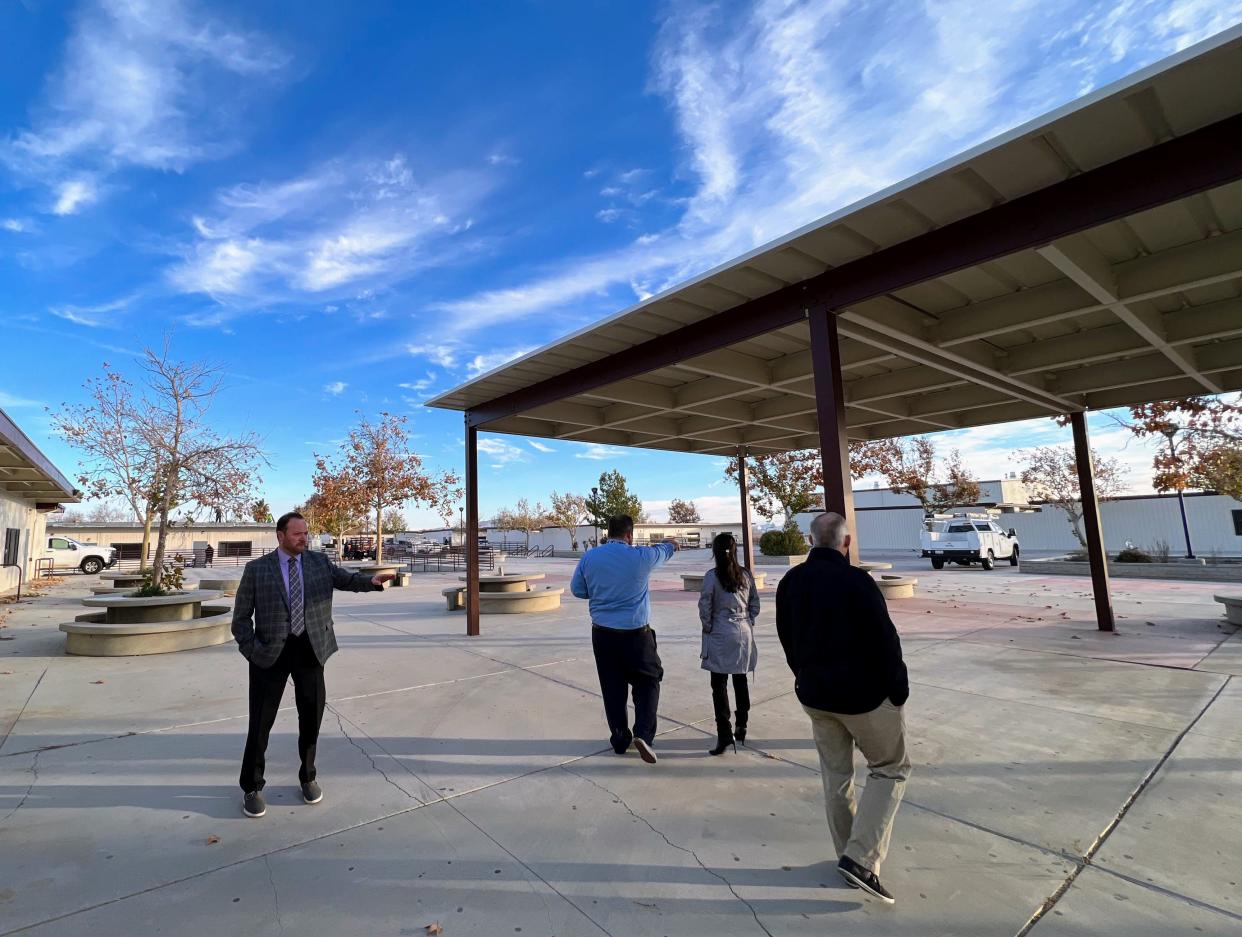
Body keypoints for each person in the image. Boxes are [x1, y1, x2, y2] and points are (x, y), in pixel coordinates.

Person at [776, 511, 910, 906]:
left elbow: (787, 638)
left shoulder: (791, 582)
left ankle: (850, 855)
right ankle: (861, 859)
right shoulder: (857, 582)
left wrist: (803, 676)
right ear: (845, 542)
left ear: (810, 540)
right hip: (865, 698)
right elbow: (886, 641)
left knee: (836, 777)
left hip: (816, 696)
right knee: (890, 769)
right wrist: (898, 692)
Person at [231, 511, 395, 819]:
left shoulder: (319, 563)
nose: (304, 538)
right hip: (270, 655)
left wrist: (372, 582)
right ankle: (252, 786)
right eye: (297, 534)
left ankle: (308, 777)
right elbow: (240, 619)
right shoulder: (257, 570)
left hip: (311, 651)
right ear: (280, 536)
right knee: (260, 724)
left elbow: (347, 580)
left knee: (311, 719)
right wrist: (252, 650)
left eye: (306, 533)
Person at [570, 515, 679, 764]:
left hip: (602, 634)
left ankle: (619, 737)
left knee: (612, 687)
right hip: (636, 635)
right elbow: (663, 550)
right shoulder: (641, 557)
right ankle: (643, 734)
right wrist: (672, 544)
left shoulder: (589, 558)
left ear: (608, 533)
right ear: (630, 535)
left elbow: (578, 590)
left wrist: (600, 592)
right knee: (648, 680)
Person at [698, 532, 759, 755]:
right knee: (740, 679)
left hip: (720, 631)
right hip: (743, 632)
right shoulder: (746, 575)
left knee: (719, 684)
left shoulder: (711, 576)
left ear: (715, 551)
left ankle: (724, 733)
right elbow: (755, 604)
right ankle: (741, 724)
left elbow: (705, 604)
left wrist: (708, 626)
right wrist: (747, 620)